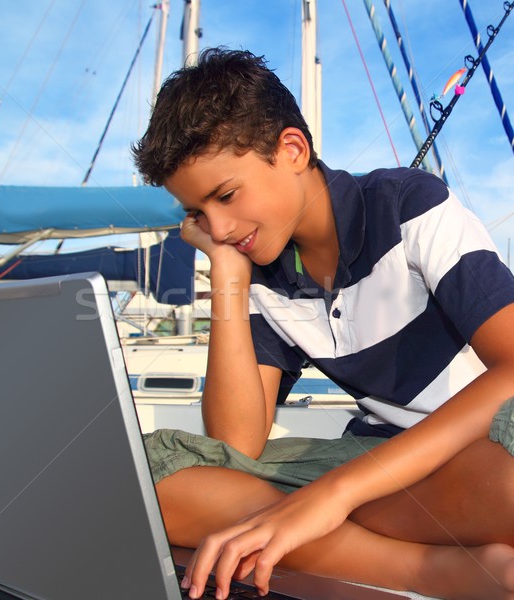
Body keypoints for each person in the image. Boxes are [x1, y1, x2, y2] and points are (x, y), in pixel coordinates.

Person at [132, 47, 514, 600]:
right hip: (379, 472)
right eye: (198, 213)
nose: (217, 226)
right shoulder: (262, 272)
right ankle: (434, 572)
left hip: (471, 453)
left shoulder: (409, 206)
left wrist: (331, 497)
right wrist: (228, 275)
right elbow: (237, 442)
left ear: (291, 149)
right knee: (151, 476)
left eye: (226, 195)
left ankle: (313, 533)